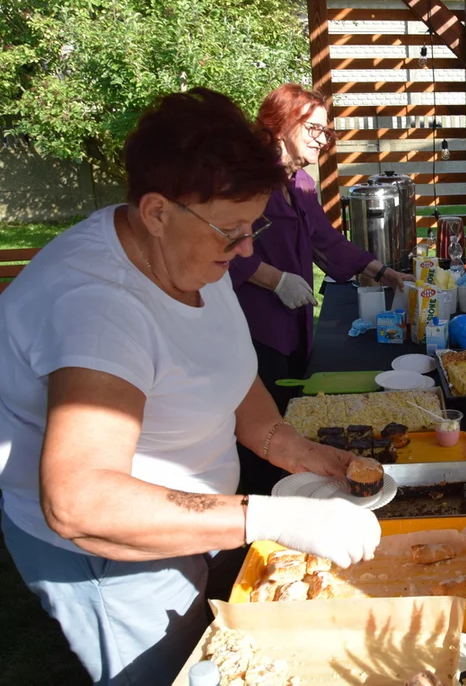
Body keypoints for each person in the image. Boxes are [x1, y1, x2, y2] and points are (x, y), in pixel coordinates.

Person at [0, 89, 382, 685]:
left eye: (252, 226)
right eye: (232, 231)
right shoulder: (97, 307)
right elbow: (81, 502)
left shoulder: (192, 250)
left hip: (199, 518)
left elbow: (246, 401)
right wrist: (262, 519)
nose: (248, 248)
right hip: (113, 555)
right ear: (157, 211)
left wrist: (321, 461)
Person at [229, 84, 412, 494]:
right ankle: (262, 511)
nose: (321, 140)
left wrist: (385, 273)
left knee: (294, 420)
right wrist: (274, 279)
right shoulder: (245, 183)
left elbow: (326, 242)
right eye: (312, 128)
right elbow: (224, 250)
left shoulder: (302, 185)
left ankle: (300, 495)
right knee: (263, 431)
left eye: (326, 131)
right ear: (279, 127)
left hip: (295, 323)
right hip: (255, 327)